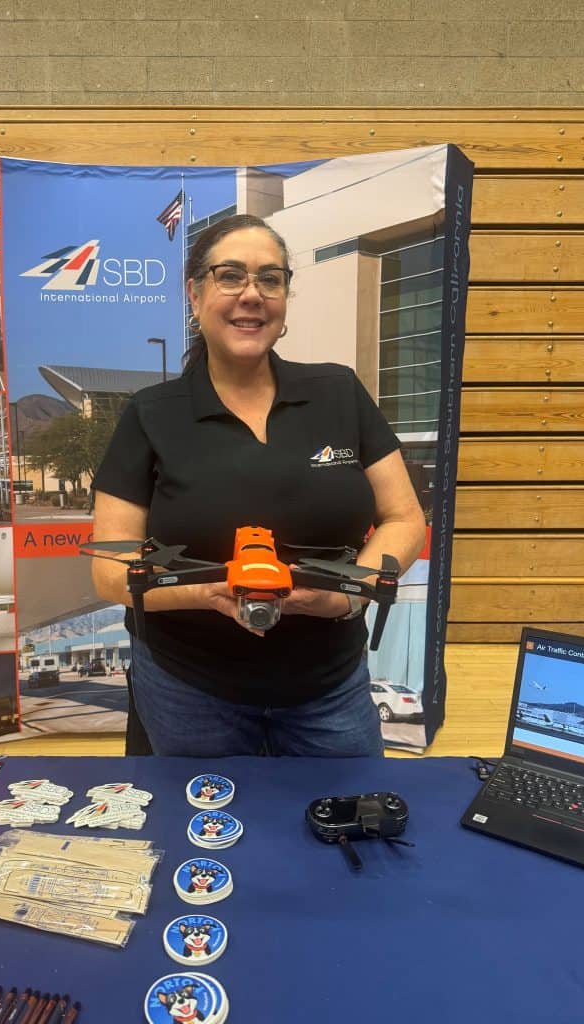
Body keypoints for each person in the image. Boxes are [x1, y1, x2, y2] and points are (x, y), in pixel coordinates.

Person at [91, 214, 427, 758]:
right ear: (195, 295)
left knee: (350, 823)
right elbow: (111, 570)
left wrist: (345, 595)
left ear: (286, 297)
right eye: (231, 276)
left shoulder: (338, 392)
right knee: (204, 832)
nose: (252, 294)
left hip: (329, 688)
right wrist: (208, 593)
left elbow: (405, 519)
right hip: (188, 690)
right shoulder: (151, 414)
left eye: (270, 279)